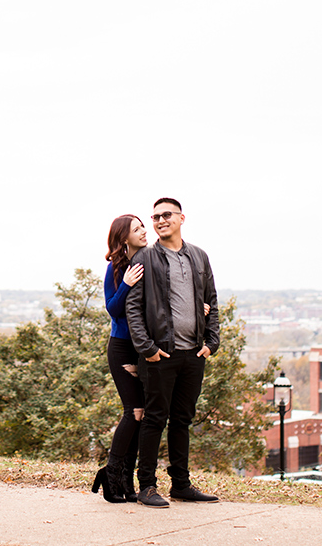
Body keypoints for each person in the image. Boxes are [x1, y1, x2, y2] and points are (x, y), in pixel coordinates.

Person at [125, 197, 220, 508]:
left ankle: (181, 484)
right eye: (155, 217)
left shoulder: (200, 257)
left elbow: (212, 303)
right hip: (159, 356)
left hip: (193, 354)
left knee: (182, 420)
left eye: (166, 215)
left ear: (181, 218)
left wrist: (211, 342)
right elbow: (133, 309)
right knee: (154, 419)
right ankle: (147, 486)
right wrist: (148, 349)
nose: (160, 220)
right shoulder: (144, 259)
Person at [92, 214, 147, 503]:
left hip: (143, 348)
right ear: (124, 237)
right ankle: (111, 475)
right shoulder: (116, 269)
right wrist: (125, 283)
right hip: (121, 347)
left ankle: (126, 481)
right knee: (133, 412)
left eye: (143, 226)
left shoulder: (150, 261)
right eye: (137, 228)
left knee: (142, 416)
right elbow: (113, 310)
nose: (144, 231)